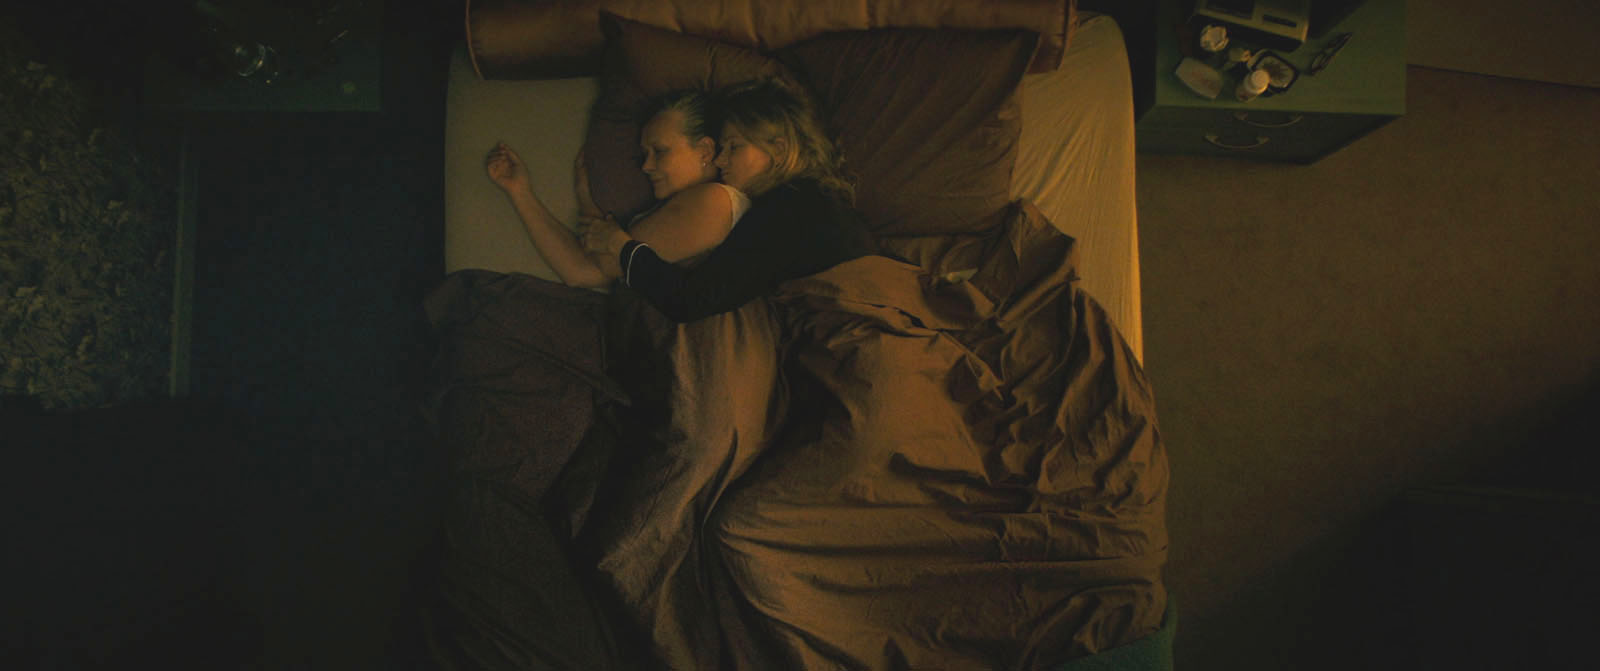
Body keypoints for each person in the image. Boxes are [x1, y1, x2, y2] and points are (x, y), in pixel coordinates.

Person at [579, 76, 880, 323]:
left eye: (734, 147)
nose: (721, 160)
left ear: (778, 150)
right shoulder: (814, 200)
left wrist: (621, 245)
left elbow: (690, 301)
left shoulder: (788, 209)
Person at [484, 89, 745, 288]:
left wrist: (590, 208)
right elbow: (583, 272)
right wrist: (520, 191)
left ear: (705, 151)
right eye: (645, 154)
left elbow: (608, 263)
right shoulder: (690, 205)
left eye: (660, 151)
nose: (646, 166)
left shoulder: (714, 201)